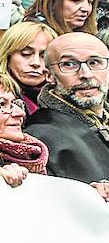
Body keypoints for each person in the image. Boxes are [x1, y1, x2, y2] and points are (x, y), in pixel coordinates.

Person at [24, 32, 109, 183]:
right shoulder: (37, 137)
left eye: (95, 62)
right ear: (49, 75)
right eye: (69, 64)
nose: (86, 74)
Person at [0, 20, 56, 115]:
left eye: (44, 56)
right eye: (26, 53)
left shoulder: (61, 98)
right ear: (6, 55)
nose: (36, 63)